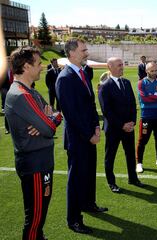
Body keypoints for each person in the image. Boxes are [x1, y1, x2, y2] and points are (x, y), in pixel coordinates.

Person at [5, 46, 62, 240]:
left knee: (40, 215)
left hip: (41, 161)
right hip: (34, 164)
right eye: (38, 64)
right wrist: (47, 122)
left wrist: (48, 120)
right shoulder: (21, 95)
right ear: (27, 66)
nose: (42, 66)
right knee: (35, 217)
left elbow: (55, 113)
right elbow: (50, 127)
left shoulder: (31, 91)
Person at [55, 39, 107, 234]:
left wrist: (96, 126)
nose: (87, 53)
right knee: (76, 179)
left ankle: (88, 204)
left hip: (88, 135)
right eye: (84, 50)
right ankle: (74, 219)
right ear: (72, 53)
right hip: (78, 139)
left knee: (88, 173)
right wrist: (88, 134)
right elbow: (71, 113)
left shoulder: (82, 73)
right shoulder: (65, 78)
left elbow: (90, 104)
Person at [98, 57, 144, 193]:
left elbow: (132, 104)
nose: (122, 67)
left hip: (129, 127)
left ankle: (133, 178)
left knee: (130, 154)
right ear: (110, 67)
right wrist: (122, 125)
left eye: (122, 65)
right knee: (110, 156)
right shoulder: (105, 87)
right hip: (113, 129)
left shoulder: (126, 83)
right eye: (119, 65)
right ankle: (111, 182)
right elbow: (107, 111)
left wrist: (132, 122)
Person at [136, 61, 157, 173]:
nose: (154, 72)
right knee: (142, 140)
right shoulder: (141, 83)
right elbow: (144, 99)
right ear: (146, 71)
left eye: (156, 70)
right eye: (152, 71)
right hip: (146, 115)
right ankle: (139, 163)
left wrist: (152, 96)